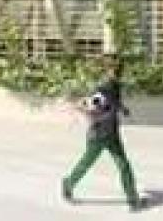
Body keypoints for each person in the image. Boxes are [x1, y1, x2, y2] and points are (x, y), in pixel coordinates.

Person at [61, 56, 145, 211]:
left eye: (119, 69)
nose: (117, 72)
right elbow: (86, 105)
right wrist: (92, 115)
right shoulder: (103, 89)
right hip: (99, 135)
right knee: (86, 163)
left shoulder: (115, 87)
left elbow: (114, 102)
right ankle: (68, 183)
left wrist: (122, 109)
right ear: (107, 71)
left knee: (123, 165)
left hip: (112, 133)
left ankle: (132, 199)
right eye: (114, 69)